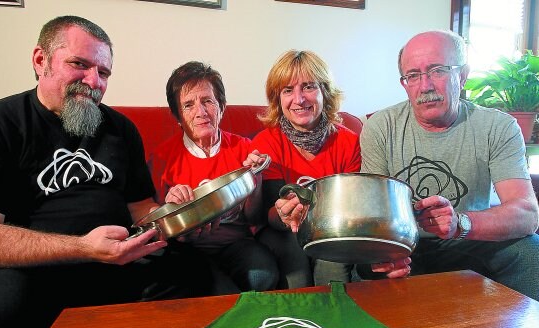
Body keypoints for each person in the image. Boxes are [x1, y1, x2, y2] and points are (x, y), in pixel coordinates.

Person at [0, 16, 215, 328]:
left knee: (190, 268)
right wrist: (82, 247)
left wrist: (180, 216)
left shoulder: (121, 129)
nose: (94, 81)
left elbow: (142, 208)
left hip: (115, 263)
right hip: (32, 273)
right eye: (79, 65)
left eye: (104, 72)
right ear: (40, 61)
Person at [360, 30, 539, 300]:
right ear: (404, 83)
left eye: (437, 70)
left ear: (462, 75)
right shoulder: (381, 127)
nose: (425, 86)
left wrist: (461, 223)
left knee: (529, 251)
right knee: (364, 264)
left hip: (469, 242)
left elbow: (527, 214)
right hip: (405, 249)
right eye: (413, 75)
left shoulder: (497, 126)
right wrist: (387, 252)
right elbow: (372, 212)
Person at [150, 61, 279, 293]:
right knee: (210, 287)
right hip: (188, 249)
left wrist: (255, 181)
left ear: (221, 106)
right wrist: (170, 207)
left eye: (207, 101)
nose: (201, 112)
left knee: (262, 276)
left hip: (236, 244)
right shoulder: (162, 158)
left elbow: (254, 218)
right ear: (178, 116)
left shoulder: (244, 148)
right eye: (188, 105)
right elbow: (155, 228)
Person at [252, 50, 369, 288]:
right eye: (288, 90)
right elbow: (267, 216)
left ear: (325, 92)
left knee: (332, 264)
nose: (299, 99)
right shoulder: (266, 143)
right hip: (282, 231)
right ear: (278, 98)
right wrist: (285, 215)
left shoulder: (349, 142)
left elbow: (352, 210)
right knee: (296, 270)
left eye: (308, 87)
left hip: (333, 230)